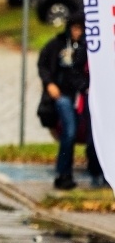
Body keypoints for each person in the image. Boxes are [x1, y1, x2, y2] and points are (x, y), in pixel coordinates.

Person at [37, 12, 88, 190]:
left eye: (81, 29)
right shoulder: (57, 44)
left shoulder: (88, 47)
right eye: (75, 28)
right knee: (69, 131)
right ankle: (64, 173)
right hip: (63, 95)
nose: (78, 32)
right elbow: (43, 64)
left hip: (82, 95)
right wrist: (49, 83)